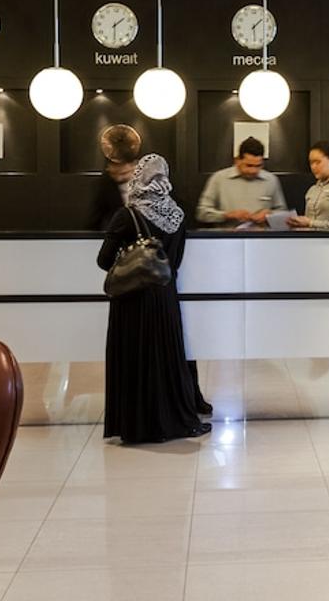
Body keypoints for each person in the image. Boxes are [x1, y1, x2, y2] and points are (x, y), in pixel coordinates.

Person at [97, 154, 212, 444]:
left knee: (135, 360)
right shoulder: (177, 215)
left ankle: (136, 426)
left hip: (131, 301)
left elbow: (103, 260)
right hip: (165, 298)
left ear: (139, 178)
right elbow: (176, 261)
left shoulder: (127, 215)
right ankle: (172, 420)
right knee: (165, 360)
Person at [196, 137, 288, 228]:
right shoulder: (219, 179)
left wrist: (270, 214)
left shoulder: (271, 180)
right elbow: (202, 213)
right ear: (237, 160)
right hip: (228, 235)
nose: (253, 171)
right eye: (249, 165)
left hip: (261, 235)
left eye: (258, 166)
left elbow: (283, 212)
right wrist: (227, 215)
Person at [86, 125, 142, 232]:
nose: (119, 177)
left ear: (135, 166)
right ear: (108, 169)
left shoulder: (150, 182)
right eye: (115, 173)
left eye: (124, 173)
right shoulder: (103, 186)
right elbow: (94, 221)